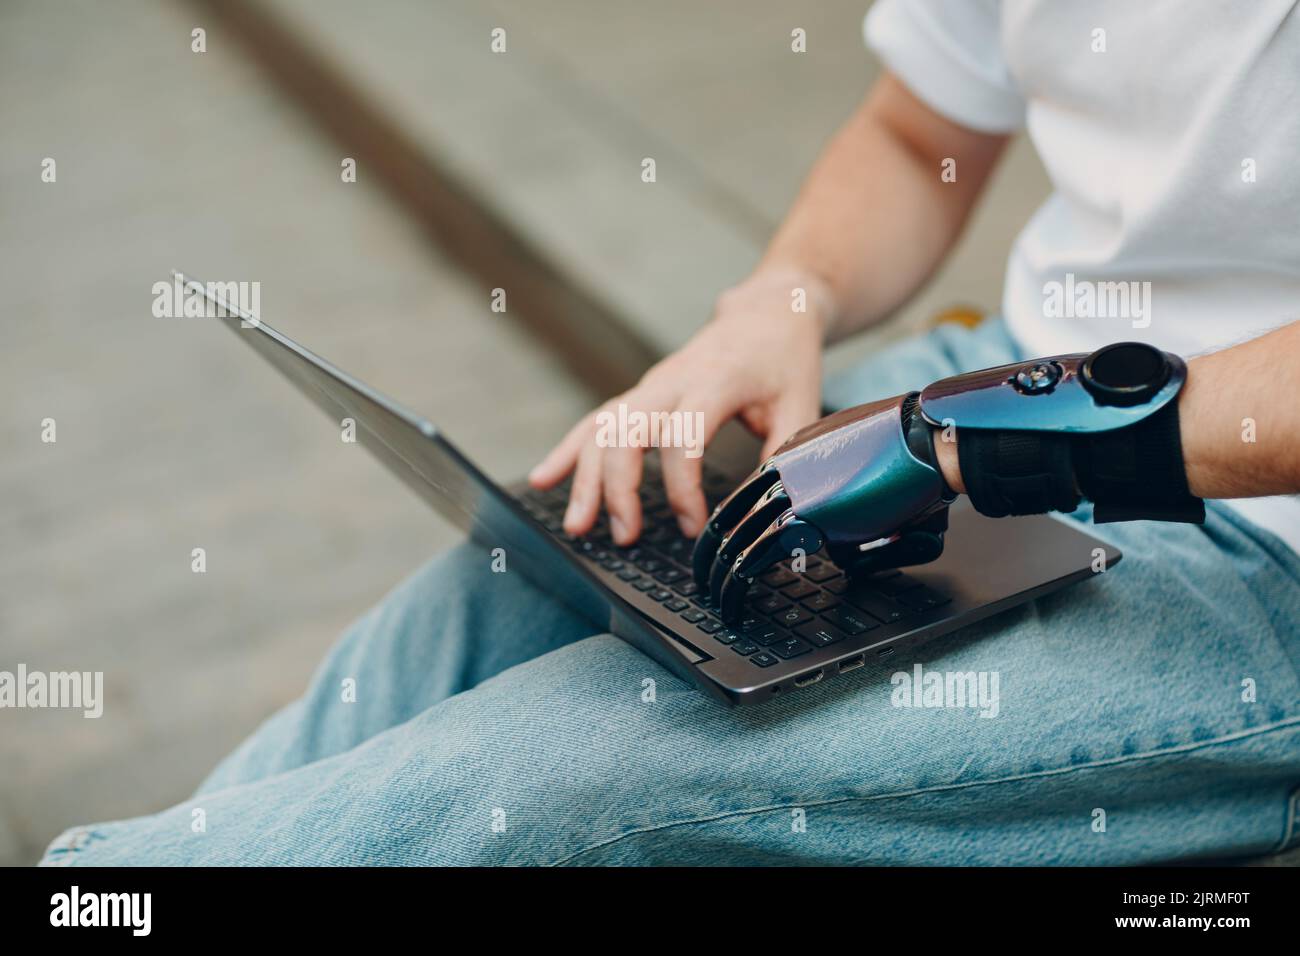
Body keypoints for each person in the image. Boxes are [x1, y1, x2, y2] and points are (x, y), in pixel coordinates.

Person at [43, 0, 1300, 866]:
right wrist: (777, 303)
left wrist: (989, 440)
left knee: (555, 773)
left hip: (1261, 549)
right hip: (1000, 391)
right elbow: (919, 138)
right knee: (480, 602)